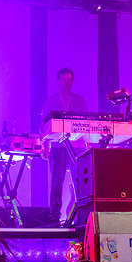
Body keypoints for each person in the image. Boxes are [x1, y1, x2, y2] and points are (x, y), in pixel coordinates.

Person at [41, 67, 88, 225]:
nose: (67, 82)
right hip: (57, 146)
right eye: (64, 79)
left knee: (80, 179)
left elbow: (85, 123)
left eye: (70, 79)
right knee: (57, 181)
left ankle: (83, 211)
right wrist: (44, 145)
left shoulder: (79, 100)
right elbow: (44, 124)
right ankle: (55, 215)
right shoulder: (51, 100)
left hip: (77, 146)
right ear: (58, 81)